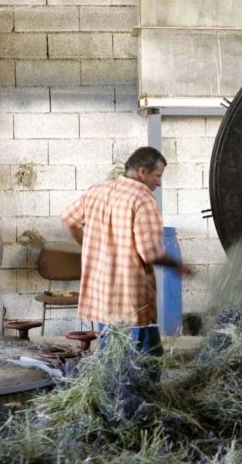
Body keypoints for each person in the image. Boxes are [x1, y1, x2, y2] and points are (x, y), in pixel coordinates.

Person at [61, 147, 191, 356]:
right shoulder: (142, 200)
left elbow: (68, 219)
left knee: (110, 361)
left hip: (102, 298)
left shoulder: (96, 192)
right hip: (132, 303)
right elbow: (150, 253)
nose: (159, 183)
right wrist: (178, 266)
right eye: (157, 176)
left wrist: (86, 245)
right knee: (147, 366)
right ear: (142, 172)